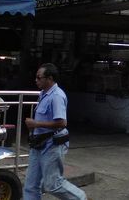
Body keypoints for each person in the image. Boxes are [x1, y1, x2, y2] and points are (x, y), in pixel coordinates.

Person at [23, 63, 87, 200]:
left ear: (50, 78)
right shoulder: (43, 94)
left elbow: (62, 123)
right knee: (30, 185)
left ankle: (80, 198)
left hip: (51, 144)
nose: (36, 80)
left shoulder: (56, 96)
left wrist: (36, 124)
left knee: (53, 184)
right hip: (38, 144)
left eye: (39, 77)